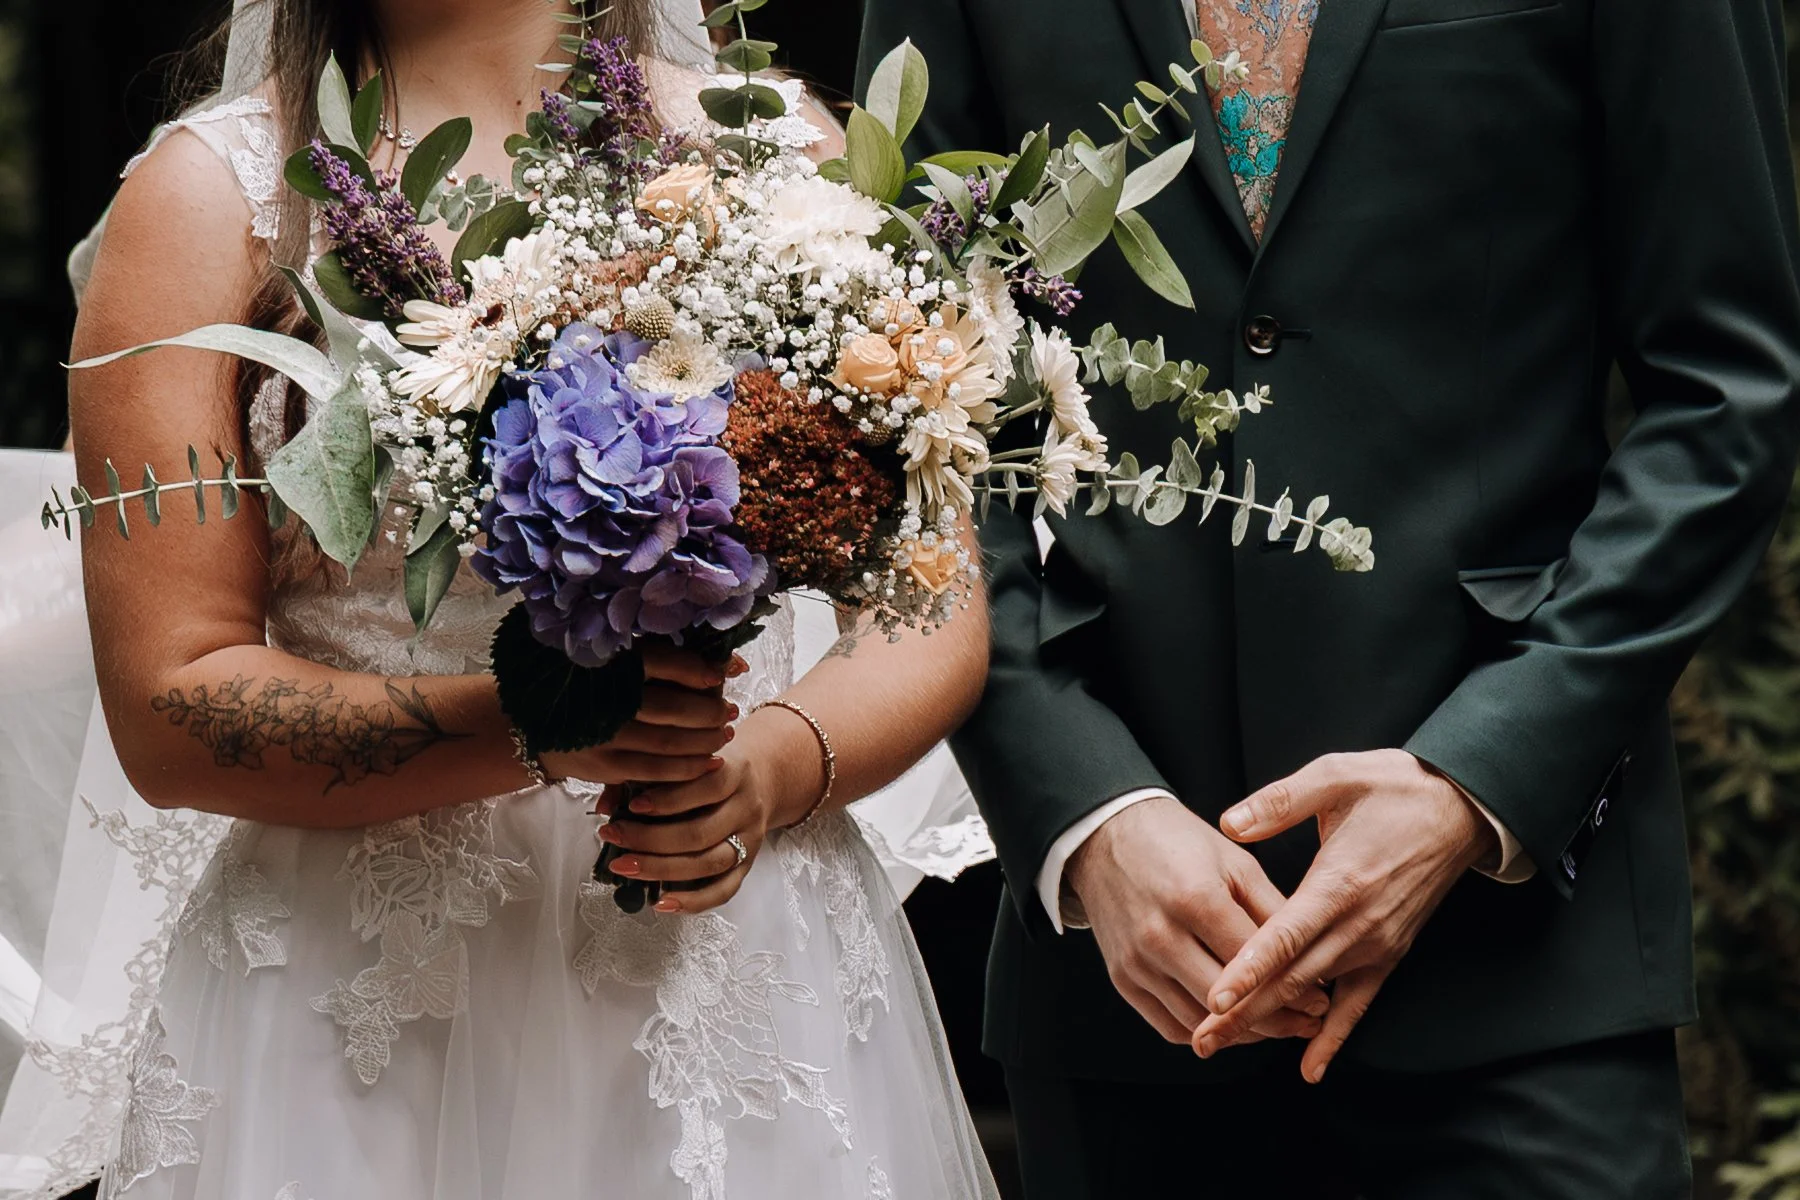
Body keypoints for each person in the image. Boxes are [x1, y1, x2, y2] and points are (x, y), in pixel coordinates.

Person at [0, 1, 1003, 1197]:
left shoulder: (774, 148)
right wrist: (534, 724)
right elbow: (172, 701)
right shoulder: (209, 203)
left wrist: (768, 770)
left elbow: (928, 601)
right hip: (362, 1008)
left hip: (732, 965)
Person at [858, 0, 1800, 1196]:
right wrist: (1085, 809)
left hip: (1518, 970)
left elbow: (1726, 389)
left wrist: (1481, 777)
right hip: (1127, 984)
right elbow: (897, 375)